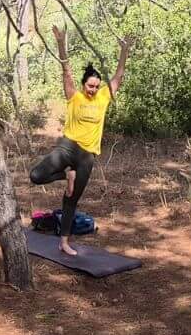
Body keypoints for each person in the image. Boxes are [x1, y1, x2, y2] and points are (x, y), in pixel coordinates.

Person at [26, 26, 132, 256]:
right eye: (89, 86)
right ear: (83, 85)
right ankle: (67, 175)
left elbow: (119, 77)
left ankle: (64, 242)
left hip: (87, 156)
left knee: (71, 200)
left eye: (96, 86)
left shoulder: (104, 97)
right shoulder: (74, 96)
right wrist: (61, 43)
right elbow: (66, 71)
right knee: (36, 176)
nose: (93, 89)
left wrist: (124, 51)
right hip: (67, 147)